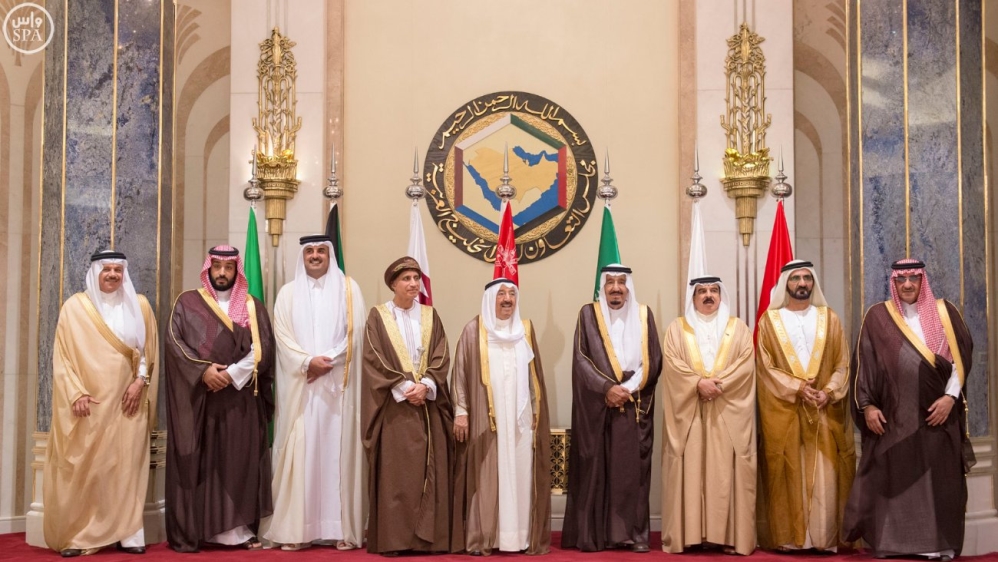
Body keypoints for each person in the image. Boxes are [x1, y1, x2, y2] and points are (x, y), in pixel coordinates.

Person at [843, 258, 973, 560]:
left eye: (914, 278)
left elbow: (960, 360)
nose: (907, 285)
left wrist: (950, 398)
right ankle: (895, 543)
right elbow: (865, 362)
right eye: (902, 279)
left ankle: (939, 546)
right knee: (894, 479)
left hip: (938, 415)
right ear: (894, 282)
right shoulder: (878, 316)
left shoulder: (944, 312)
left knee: (940, 482)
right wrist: (868, 405)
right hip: (895, 419)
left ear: (922, 280)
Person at [43, 250, 159, 557]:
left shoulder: (140, 306)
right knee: (90, 469)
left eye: (117, 270)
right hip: (89, 405)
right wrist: (76, 393)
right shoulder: (75, 308)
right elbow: (62, 357)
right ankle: (80, 535)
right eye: (106, 270)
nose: (112, 275)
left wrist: (140, 382)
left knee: (126, 467)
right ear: (95, 272)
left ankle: (129, 533)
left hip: (128, 402)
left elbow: (147, 353)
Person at [164, 245, 275, 552]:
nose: (223, 273)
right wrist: (203, 372)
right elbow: (175, 344)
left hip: (240, 400)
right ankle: (204, 530)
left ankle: (238, 531)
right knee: (205, 463)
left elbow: (263, 348)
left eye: (228, 267)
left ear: (237, 270)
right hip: (203, 400)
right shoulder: (187, 303)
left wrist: (232, 374)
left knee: (238, 462)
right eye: (217, 267)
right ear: (208, 269)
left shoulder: (253, 306)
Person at [262, 235, 366, 551]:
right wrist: (308, 361)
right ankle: (297, 529)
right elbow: (281, 335)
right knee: (302, 451)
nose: (316, 256)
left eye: (321, 250)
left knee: (336, 453)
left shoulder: (350, 289)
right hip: (302, 386)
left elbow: (357, 331)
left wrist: (328, 360)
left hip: (338, 389)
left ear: (330, 254)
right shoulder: (287, 293)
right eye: (310, 251)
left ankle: (339, 529)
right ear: (302, 256)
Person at [562, 264, 663, 553]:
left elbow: (653, 360)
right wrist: (607, 389)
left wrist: (626, 390)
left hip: (634, 405)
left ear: (628, 286)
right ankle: (597, 535)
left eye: (621, 282)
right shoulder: (588, 314)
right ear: (602, 287)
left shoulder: (644, 315)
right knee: (597, 469)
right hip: (598, 405)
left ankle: (634, 535)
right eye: (610, 283)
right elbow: (581, 358)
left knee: (632, 473)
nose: (616, 288)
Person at [755, 259, 855, 552]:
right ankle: (791, 540)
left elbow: (842, 364)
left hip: (824, 411)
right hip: (785, 413)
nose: (802, 283)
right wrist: (798, 388)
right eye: (796, 278)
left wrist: (828, 392)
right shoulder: (768, 322)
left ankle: (822, 539)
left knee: (825, 475)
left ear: (813, 283)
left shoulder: (830, 318)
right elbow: (765, 368)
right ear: (785, 283)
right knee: (787, 471)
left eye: (807, 278)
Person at [451, 278, 552, 556]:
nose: (507, 299)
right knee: (487, 476)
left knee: (520, 474)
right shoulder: (474, 331)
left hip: (519, 422)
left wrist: (534, 409)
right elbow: (459, 375)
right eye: (501, 294)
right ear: (489, 298)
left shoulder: (524, 331)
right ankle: (486, 536)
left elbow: (535, 378)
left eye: (511, 294)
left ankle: (517, 537)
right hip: (487, 419)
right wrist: (461, 412)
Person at [361, 256, 454, 556]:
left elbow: (441, 352)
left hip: (427, 404)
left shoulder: (430, 315)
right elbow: (374, 356)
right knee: (397, 476)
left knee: (430, 473)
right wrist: (403, 387)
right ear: (393, 284)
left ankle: (430, 540)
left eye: (416, 278)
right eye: (406, 279)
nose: (413, 284)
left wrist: (426, 385)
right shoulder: (378, 316)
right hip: (395, 406)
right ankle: (396, 540)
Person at [661, 276, 756, 555]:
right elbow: (672, 364)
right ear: (693, 298)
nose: (708, 296)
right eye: (701, 291)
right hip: (689, 414)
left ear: (721, 295)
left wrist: (715, 385)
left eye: (714, 290)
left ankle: (727, 536)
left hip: (726, 411)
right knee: (690, 471)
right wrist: (696, 384)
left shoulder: (738, 328)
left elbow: (745, 364)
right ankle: (689, 536)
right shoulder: (677, 329)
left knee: (724, 473)